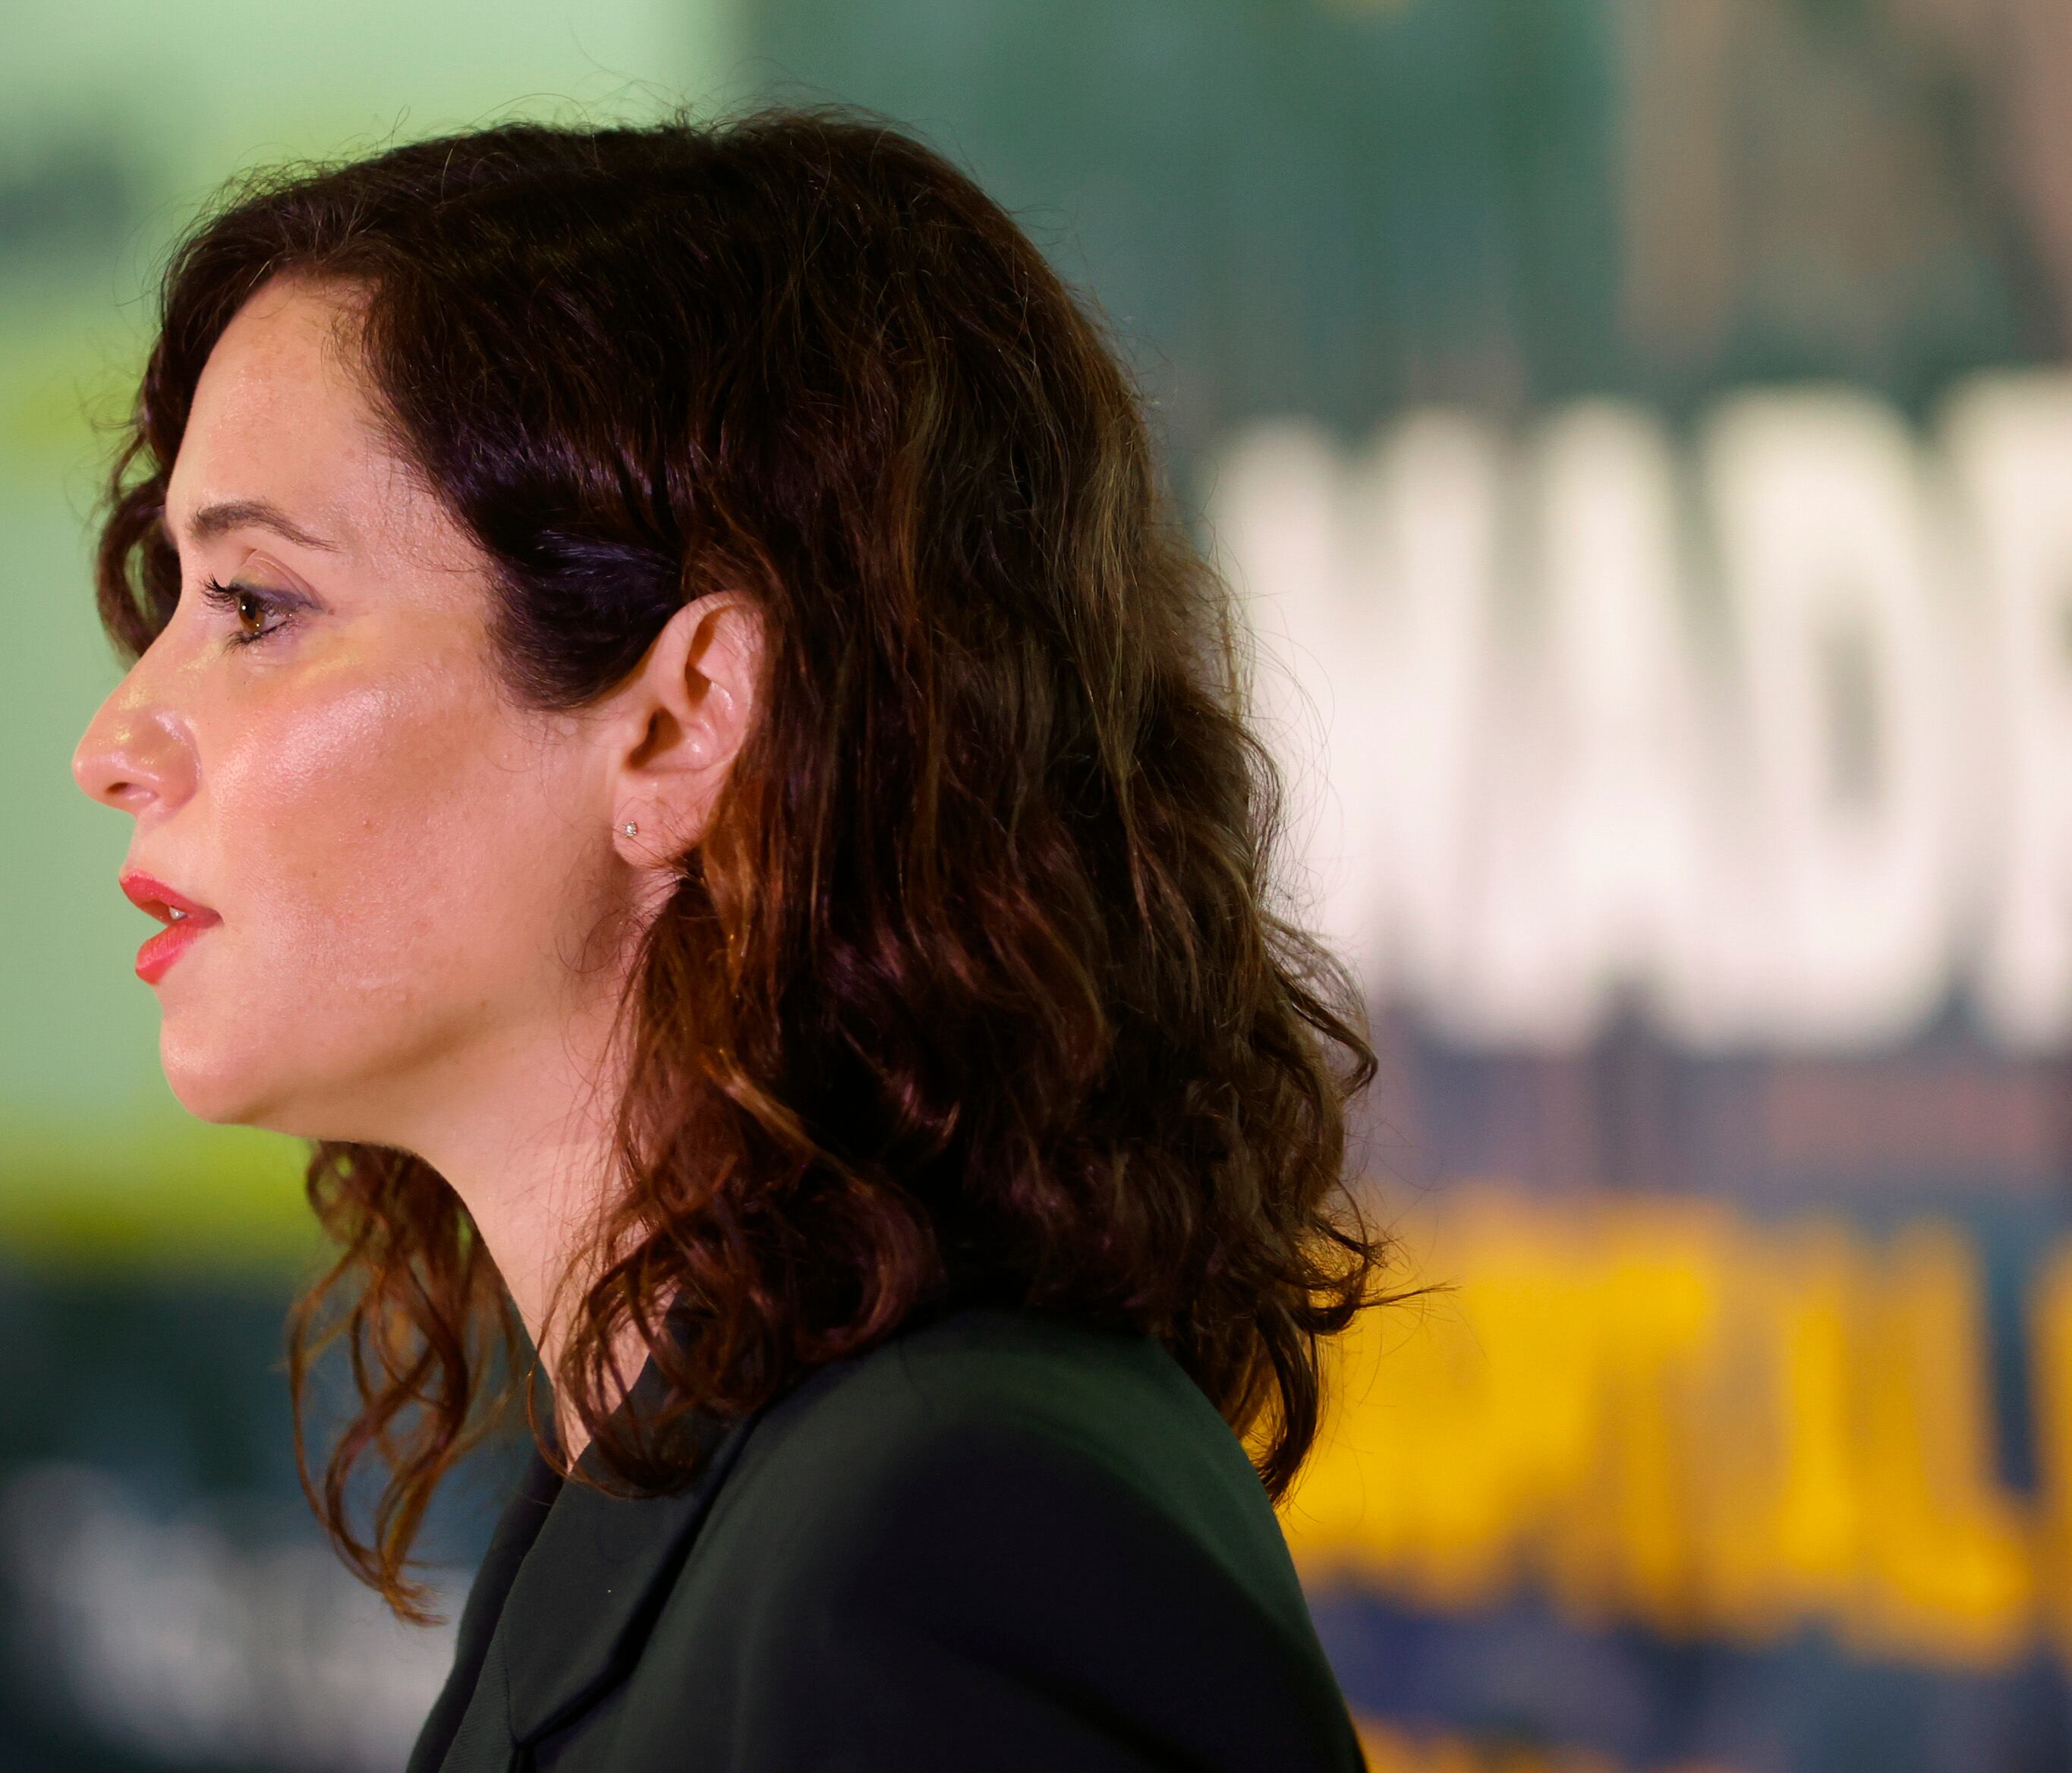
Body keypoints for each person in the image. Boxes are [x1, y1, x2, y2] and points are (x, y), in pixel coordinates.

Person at [71, 111, 1380, 1771]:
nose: (115, 739)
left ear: (684, 720)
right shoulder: (664, 1489)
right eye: (173, 601)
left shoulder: (942, 1545)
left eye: (255, 605)